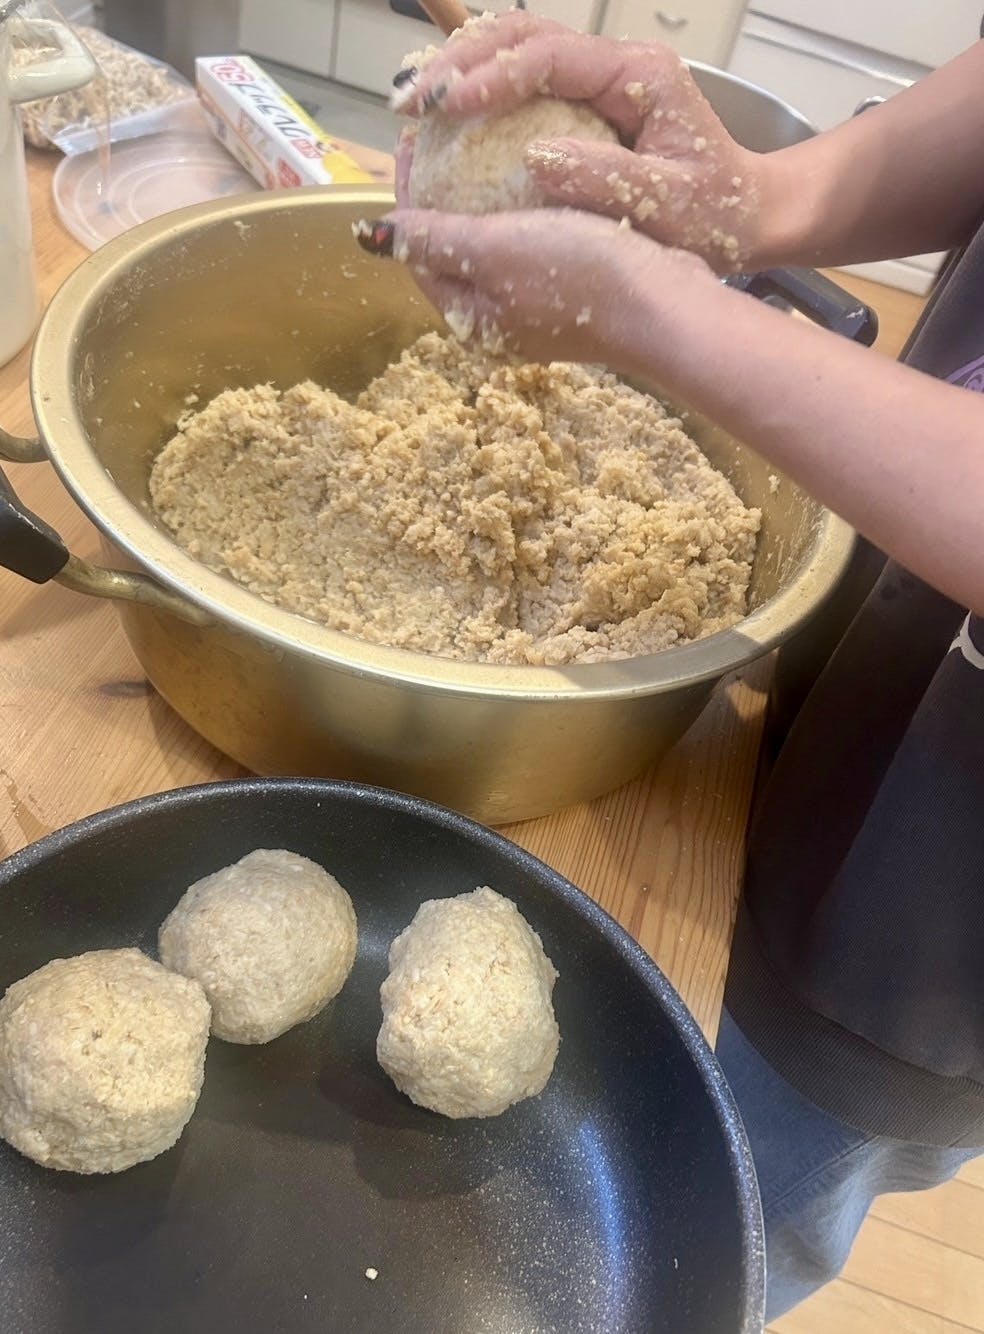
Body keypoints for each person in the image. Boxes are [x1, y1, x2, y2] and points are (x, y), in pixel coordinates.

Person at [357, 11, 984, 1321]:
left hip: (936, 894)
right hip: (899, 590)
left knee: (696, 1215)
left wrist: (666, 319)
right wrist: (762, 198)